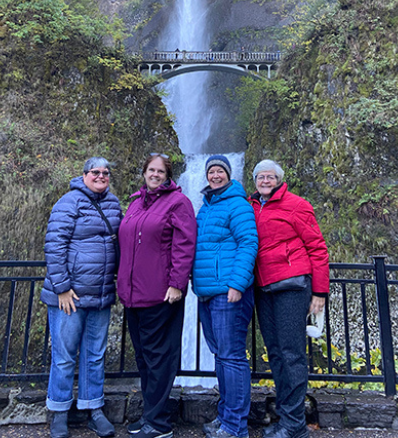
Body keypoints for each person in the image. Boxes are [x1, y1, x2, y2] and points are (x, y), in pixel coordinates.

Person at [40, 157, 122, 438]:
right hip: (70, 296)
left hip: (100, 295)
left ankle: (93, 409)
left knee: (94, 356)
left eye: (105, 173)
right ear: (84, 175)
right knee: (64, 357)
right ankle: (59, 412)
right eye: (95, 172)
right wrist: (61, 287)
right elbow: (54, 244)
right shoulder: (69, 202)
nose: (101, 176)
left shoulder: (113, 204)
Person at [118, 153, 197, 438]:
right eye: (150, 169)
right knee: (143, 358)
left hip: (160, 294)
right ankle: (150, 415)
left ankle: (160, 424)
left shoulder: (178, 203)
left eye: (160, 171)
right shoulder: (136, 203)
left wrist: (177, 283)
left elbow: (185, 245)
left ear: (168, 174)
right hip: (132, 295)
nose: (154, 174)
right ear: (144, 172)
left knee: (159, 358)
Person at [249, 160, 330, 438]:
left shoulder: (296, 205)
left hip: (292, 287)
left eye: (270, 176)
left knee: (291, 354)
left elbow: (317, 248)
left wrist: (320, 292)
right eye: (260, 176)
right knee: (276, 353)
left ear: (279, 179)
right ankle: (286, 418)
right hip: (262, 287)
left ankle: (295, 426)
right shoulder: (251, 206)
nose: (265, 180)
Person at [192, 155, 259, 438]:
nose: (215, 175)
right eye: (211, 171)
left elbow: (249, 243)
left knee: (232, 357)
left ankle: (235, 426)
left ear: (229, 175)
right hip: (207, 293)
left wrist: (237, 284)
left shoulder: (238, 204)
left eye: (220, 171)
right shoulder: (205, 208)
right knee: (220, 356)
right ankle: (224, 417)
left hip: (228, 293)